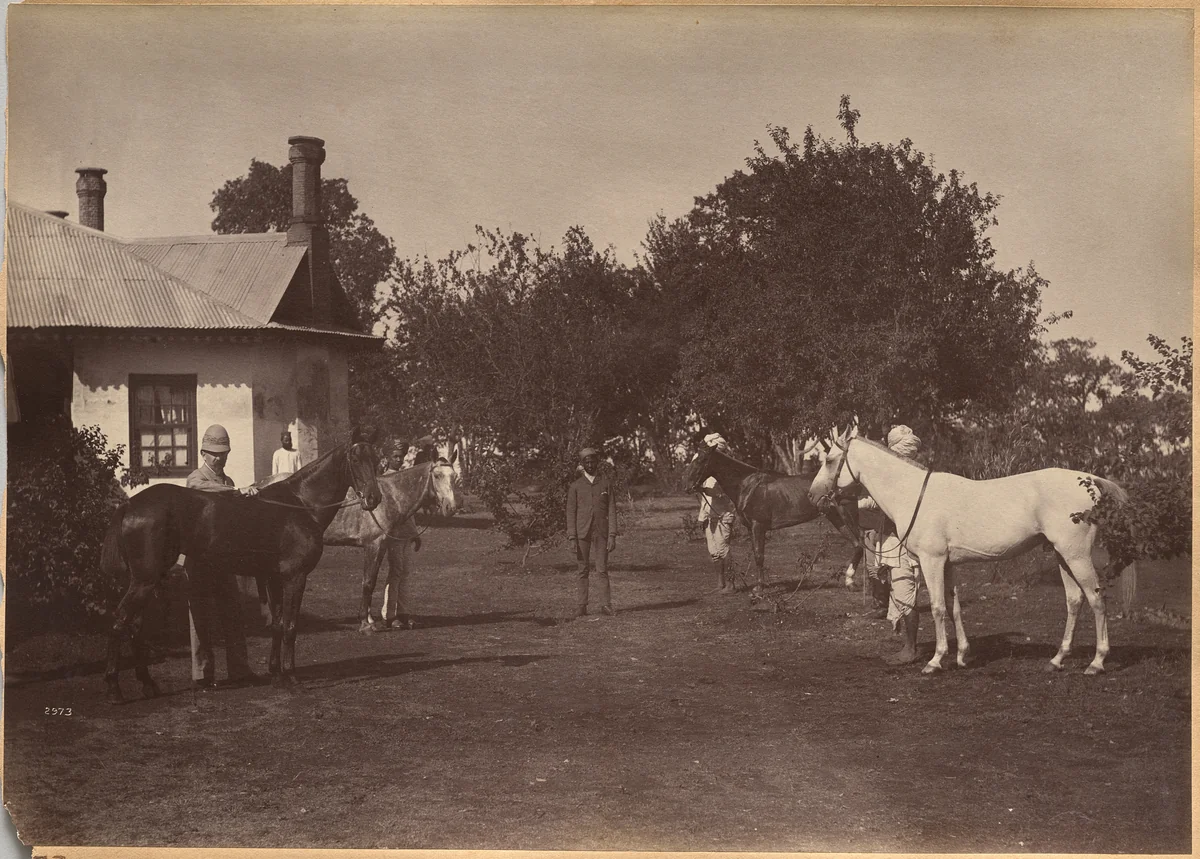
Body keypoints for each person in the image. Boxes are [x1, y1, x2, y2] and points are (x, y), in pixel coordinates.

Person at [183, 424, 263, 689]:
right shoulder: (196, 479)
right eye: (215, 453)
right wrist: (237, 492)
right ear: (203, 453)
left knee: (233, 614)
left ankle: (239, 670)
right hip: (199, 560)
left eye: (224, 453)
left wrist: (248, 498)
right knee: (200, 618)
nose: (220, 458)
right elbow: (203, 490)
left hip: (224, 561)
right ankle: (202, 675)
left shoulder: (227, 482)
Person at [859, 424, 925, 665]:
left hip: (903, 542)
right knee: (899, 591)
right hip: (893, 539)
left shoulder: (908, 479)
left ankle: (910, 649)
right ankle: (909, 645)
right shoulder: (909, 476)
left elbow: (881, 502)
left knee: (904, 591)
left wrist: (860, 504)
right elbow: (877, 502)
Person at [566, 446, 618, 618]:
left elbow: (612, 510)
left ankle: (605, 604)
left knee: (602, 569)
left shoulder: (605, 483)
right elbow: (570, 512)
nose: (590, 464)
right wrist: (572, 537)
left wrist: (612, 535)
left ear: (597, 463)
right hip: (582, 533)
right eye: (586, 462)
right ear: (582, 464)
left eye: (592, 461)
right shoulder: (575, 486)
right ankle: (582, 605)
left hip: (601, 533)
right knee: (582, 569)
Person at [695, 433, 738, 594]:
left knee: (723, 549)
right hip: (710, 516)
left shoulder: (726, 472)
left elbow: (722, 493)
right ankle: (720, 584)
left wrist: (705, 489)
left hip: (723, 515)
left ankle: (731, 584)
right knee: (713, 551)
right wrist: (702, 517)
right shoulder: (708, 472)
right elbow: (705, 498)